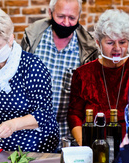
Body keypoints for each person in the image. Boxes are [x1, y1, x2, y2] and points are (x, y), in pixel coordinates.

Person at [0, 8, 59, 152]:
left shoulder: (32, 66)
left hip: (35, 144)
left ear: (10, 39)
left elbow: (44, 113)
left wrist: (13, 125)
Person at [21, 0, 98, 150]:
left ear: (79, 16)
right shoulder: (33, 38)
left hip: (68, 136)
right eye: (61, 16)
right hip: (31, 134)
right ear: (50, 13)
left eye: (72, 18)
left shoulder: (88, 49)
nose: (66, 23)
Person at [67, 9, 129, 145]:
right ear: (98, 42)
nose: (117, 48)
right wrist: (85, 145)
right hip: (94, 146)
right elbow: (74, 115)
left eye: (123, 42)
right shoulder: (83, 74)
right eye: (110, 43)